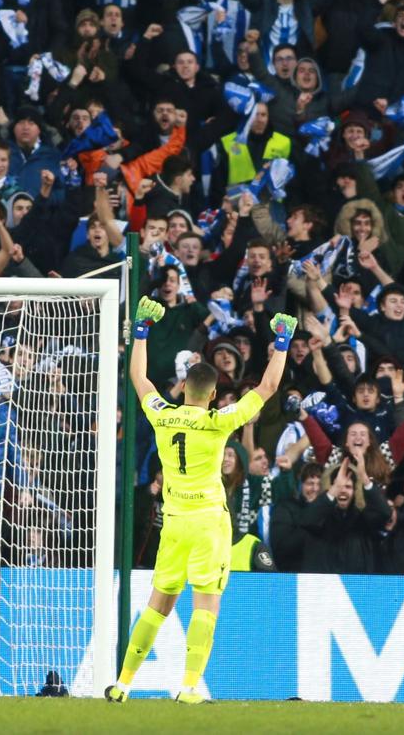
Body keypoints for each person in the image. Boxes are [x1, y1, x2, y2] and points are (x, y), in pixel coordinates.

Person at [108, 297, 295, 704]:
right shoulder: (218, 421)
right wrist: (281, 343)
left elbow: (139, 378)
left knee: (158, 605)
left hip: (173, 522)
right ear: (212, 395)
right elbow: (268, 387)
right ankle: (190, 687)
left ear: (186, 389)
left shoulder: (162, 414)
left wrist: (141, 331)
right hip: (208, 522)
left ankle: (122, 684)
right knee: (205, 605)